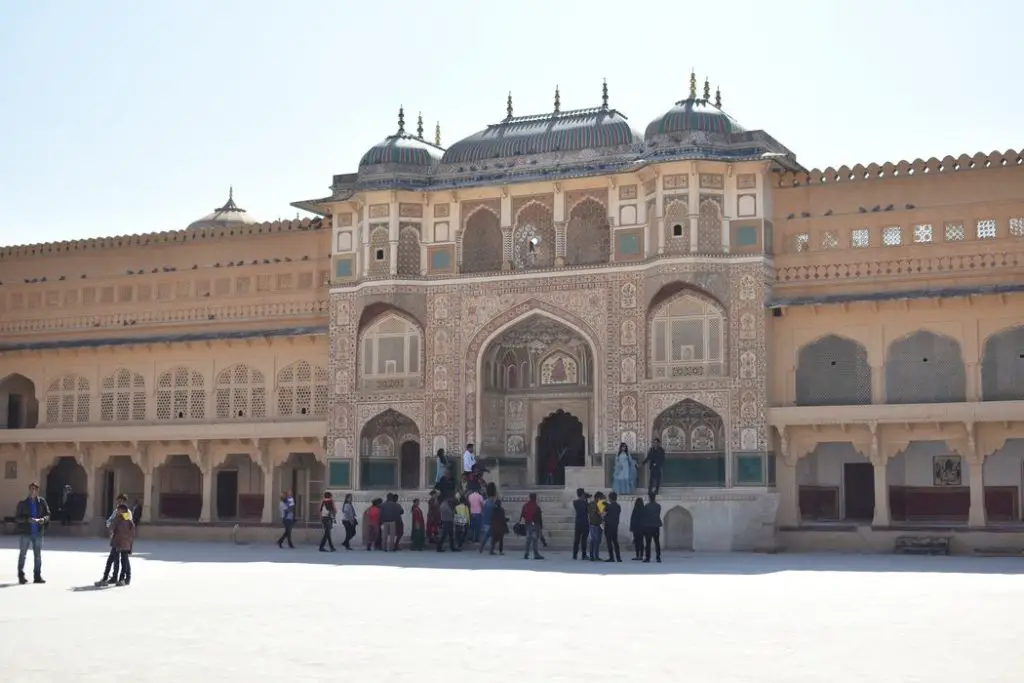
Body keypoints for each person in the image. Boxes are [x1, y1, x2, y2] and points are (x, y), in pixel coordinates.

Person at [14, 482, 50, 585]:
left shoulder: (42, 502)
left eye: (35, 489)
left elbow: (48, 514)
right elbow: (17, 518)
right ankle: (21, 576)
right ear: (29, 490)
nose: (33, 491)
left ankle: (37, 576)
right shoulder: (23, 503)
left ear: (37, 491)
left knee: (37, 555)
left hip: (38, 532)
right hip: (26, 532)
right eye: (31, 489)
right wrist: (28, 519)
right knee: (23, 555)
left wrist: (43, 519)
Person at [97, 494, 132, 585]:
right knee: (115, 559)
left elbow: (128, 527)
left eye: (120, 501)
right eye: (118, 501)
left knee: (124, 560)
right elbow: (109, 522)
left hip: (123, 541)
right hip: (117, 540)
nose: (118, 504)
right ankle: (114, 577)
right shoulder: (117, 512)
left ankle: (125, 578)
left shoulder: (127, 514)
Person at [110, 503, 136, 586]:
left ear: (123, 510)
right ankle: (124, 578)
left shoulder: (123, 518)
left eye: (118, 510)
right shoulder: (125, 518)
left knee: (124, 560)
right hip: (124, 542)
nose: (117, 511)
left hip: (123, 542)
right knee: (124, 560)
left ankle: (123, 578)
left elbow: (114, 529)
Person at [519, 492, 543, 560]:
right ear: (535, 498)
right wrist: (541, 527)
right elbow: (539, 518)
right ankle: (536, 554)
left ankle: (526, 554)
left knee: (528, 540)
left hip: (527, 524)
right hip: (535, 525)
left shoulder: (525, 506)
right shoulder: (537, 507)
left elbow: (522, 515)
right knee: (535, 540)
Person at [604, 491, 623, 562]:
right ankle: (618, 557)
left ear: (610, 498)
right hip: (615, 526)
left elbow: (604, 515)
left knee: (609, 542)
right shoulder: (618, 506)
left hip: (608, 526)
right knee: (615, 542)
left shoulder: (608, 506)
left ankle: (611, 557)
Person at [644, 493, 663, 563]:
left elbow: (644, 515)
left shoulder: (646, 506)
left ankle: (647, 557)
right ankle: (658, 557)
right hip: (656, 525)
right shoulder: (658, 506)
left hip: (648, 526)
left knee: (648, 543)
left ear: (649, 498)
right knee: (657, 542)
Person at [571, 488, 589, 561]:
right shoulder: (585, 503)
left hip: (578, 522)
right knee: (584, 540)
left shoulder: (575, 502)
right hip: (584, 522)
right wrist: (586, 499)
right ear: (582, 494)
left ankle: (574, 555)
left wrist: (585, 499)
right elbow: (587, 510)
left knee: (576, 540)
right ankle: (583, 555)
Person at [587, 492, 605, 561]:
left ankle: (592, 556)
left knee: (593, 541)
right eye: (601, 498)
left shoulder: (590, 504)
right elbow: (598, 513)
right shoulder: (597, 505)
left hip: (592, 524)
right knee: (597, 541)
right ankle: (596, 556)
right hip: (597, 524)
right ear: (598, 498)